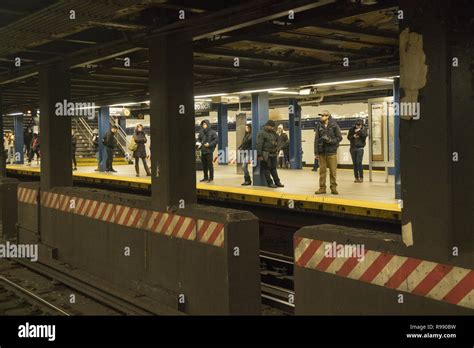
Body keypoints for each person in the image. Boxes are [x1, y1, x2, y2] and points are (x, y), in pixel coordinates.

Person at [314, 110, 342, 195]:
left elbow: (339, 138)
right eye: (321, 116)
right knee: (322, 171)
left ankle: (333, 188)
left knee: (333, 171)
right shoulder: (319, 126)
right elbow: (316, 139)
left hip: (332, 152)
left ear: (327, 116)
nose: (321, 117)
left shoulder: (334, 125)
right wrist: (316, 153)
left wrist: (330, 141)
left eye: (323, 115)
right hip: (322, 152)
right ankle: (322, 188)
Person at [256, 120, 284, 188]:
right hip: (265, 154)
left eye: (273, 127)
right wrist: (259, 155)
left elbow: (279, 140)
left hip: (273, 153)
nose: (272, 128)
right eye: (271, 127)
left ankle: (277, 182)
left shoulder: (274, 133)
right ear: (267, 125)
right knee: (267, 169)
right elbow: (259, 144)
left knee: (273, 168)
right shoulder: (261, 133)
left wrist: (278, 148)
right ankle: (270, 183)